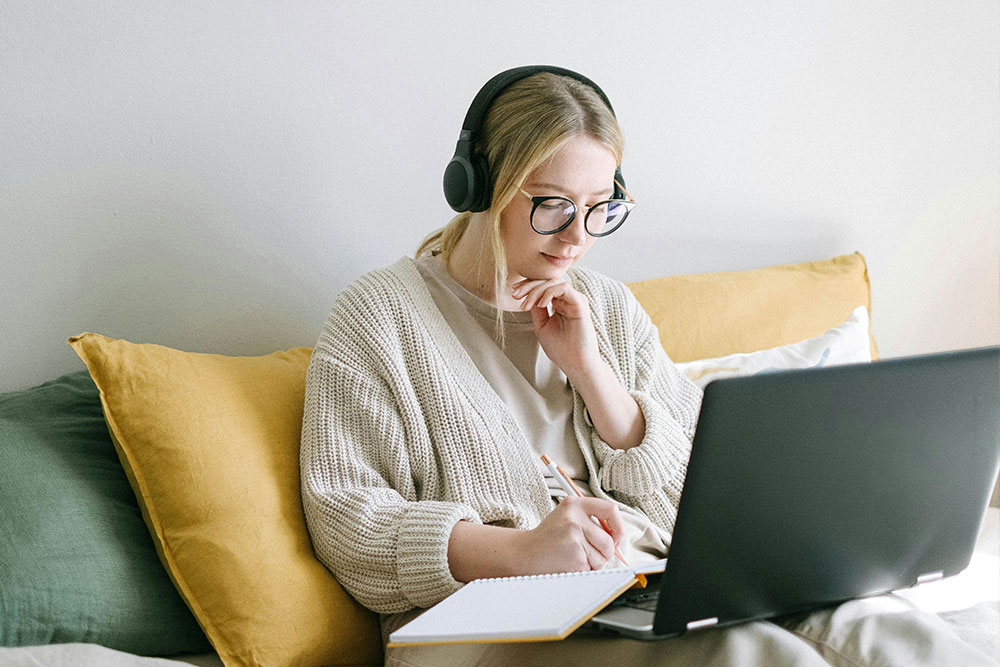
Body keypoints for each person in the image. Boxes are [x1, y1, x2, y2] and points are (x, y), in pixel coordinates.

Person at [300, 66, 996, 667]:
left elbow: (700, 494)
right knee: (755, 654)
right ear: (480, 186)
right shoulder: (379, 317)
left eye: (601, 209)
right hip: (479, 629)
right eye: (553, 206)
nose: (577, 238)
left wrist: (596, 376)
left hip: (638, 588)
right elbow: (352, 527)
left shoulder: (605, 305)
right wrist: (521, 551)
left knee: (886, 630)